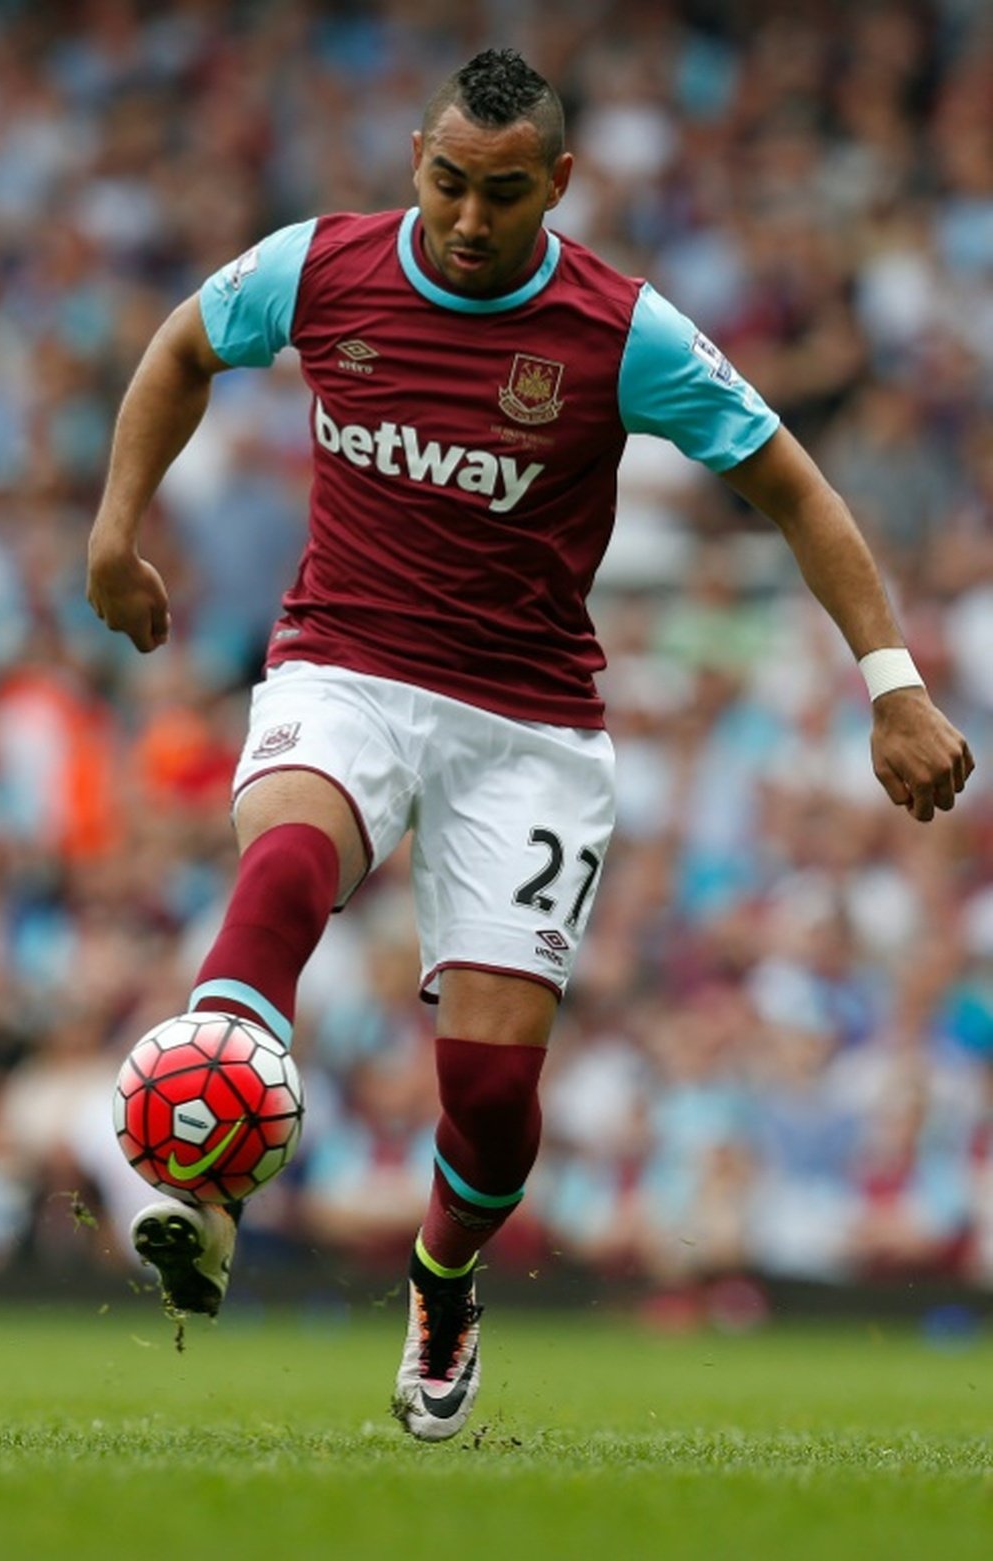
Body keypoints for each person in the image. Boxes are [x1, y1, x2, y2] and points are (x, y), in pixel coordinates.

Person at [86, 48, 974, 1441]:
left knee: (492, 1096)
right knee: (286, 869)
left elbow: (791, 483)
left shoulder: (623, 333)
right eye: (448, 182)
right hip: (348, 668)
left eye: (504, 193)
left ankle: (443, 1280)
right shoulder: (317, 270)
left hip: (529, 727)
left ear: (557, 184)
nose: (468, 217)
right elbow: (182, 349)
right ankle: (201, 1183)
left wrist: (894, 683)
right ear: (417, 166)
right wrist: (114, 529)